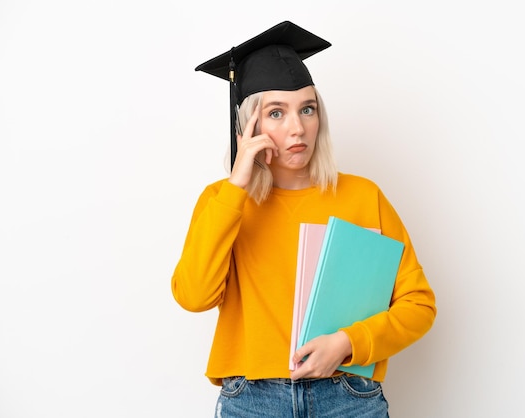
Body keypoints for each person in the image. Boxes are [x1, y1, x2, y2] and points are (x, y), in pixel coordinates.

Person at [171, 21, 436, 418]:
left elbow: (418, 304)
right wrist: (237, 185)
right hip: (252, 400)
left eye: (307, 109)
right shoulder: (221, 200)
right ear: (249, 126)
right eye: (276, 113)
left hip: (348, 395)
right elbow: (194, 297)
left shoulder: (362, 196)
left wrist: (348, 341)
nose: (297, 128)